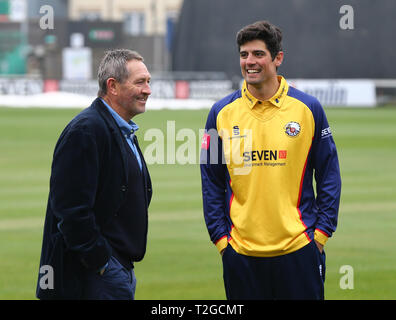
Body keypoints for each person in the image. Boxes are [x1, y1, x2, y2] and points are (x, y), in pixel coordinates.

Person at [200, 21, 341, 300]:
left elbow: (329, 175)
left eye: (258, 54)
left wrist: (321, 235)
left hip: (300, 250)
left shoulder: (308, 109)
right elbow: (211, 182)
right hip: (240, 254)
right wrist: (221, 240)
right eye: (244, 55)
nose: (249, 62)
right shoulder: (220, 113)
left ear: (278, 58)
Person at [36, 49, 152, 300]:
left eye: (148, 82)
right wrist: (102, 263)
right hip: (92, 277)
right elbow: (71, 211)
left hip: (113, 270)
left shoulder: (119, 130)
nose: (148, 90)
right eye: (140, 82)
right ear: (113, 86)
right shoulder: (86, 131)